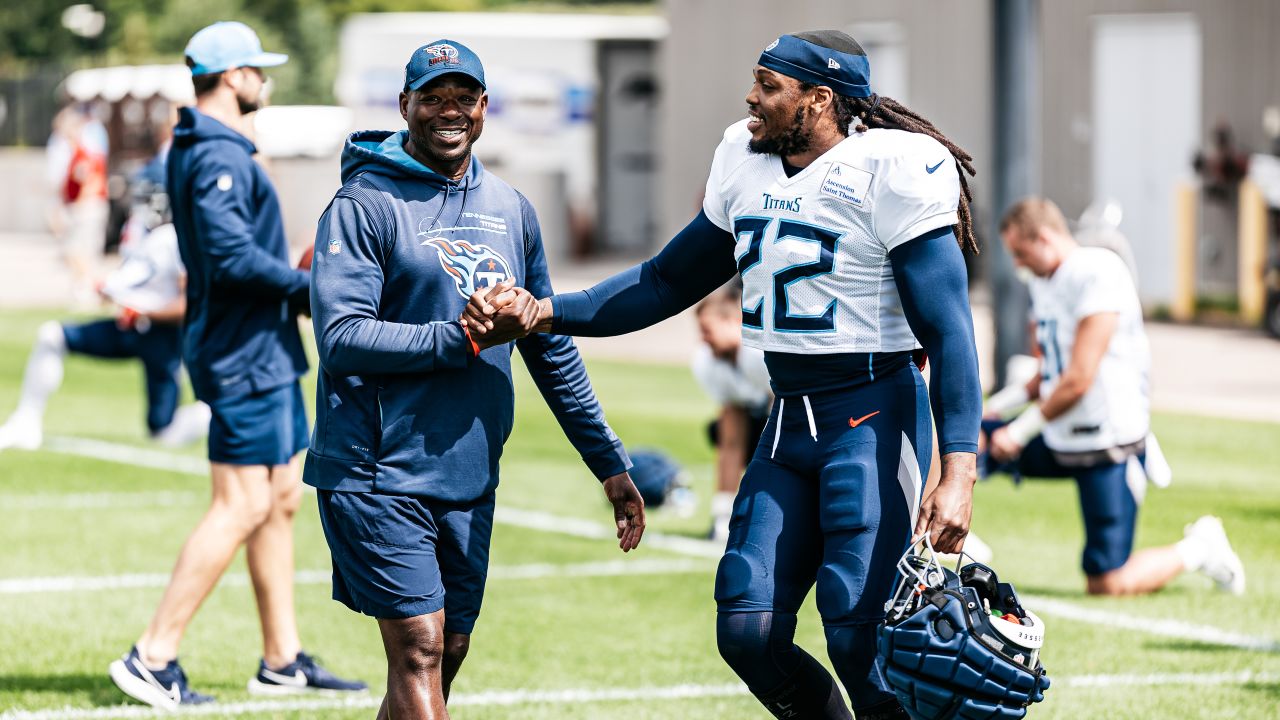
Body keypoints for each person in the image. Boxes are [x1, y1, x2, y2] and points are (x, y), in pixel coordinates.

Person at [468, 29, 982, 720]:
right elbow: (664, 280)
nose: (751, 97)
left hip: (874, 411)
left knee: (859, 634)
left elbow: (949, 330)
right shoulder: (744, 158)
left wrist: (959, 470)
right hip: (789, 416)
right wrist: (543, 313)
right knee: (748, 627)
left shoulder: (892, 168)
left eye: (770, 86)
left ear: (820, 100)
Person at [306, 39, 645, 720]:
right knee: (420, 649)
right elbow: (341, 339)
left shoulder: (512, 209)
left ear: (485, 107)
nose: (449, 110)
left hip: (467, 473)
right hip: (376, 471)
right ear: (405, 105)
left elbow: (548, 343)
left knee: (447, 650)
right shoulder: (363, 202)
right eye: (432, 96)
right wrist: (457, 337)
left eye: (463, 96)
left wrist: (609, 465)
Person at [107, 21, 366, 709]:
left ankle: (281, 660)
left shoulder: (220, 144)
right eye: (258, 70)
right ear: (232, 77)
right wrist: (310, 288)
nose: (266, 80)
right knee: (243, 502)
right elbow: (230, 260)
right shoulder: (216, 151)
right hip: (240, 349)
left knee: (280, 498)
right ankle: (152, 656)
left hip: (266, 344)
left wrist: (293, 290)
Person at [986, 197, 1245, 597]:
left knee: (1106, 581)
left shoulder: (1098, 271)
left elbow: (1077, 380)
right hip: (1060, 433)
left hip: (1107, 444)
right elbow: (1046, 377)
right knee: (966, 444)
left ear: (1043, 237)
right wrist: (994, 409)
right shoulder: (1044, 281)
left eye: (1021, 252)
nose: (1019, 264)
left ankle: (1199, 548)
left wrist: (1018, 433)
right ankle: (950, 553)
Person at [0, 152, 209, 452]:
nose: (140, 200)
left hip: (161, 338)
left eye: (147, 192)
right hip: (128, 327)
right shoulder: (137, 230)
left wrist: (146, 310)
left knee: (163, 432)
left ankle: (217, 414)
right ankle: (26, 422)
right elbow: (132, 279)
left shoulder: (180, 239)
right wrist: (107, 287)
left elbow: (189, 303)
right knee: (51, 336)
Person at [691, 283, 772, 542]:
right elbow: (731, 439)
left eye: (707, 330)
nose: (703, 339)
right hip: (761, 420)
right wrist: (722, 513)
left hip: (801, 420)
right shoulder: (708, 363)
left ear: (733, 321)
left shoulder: (759, 355)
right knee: (719, 430)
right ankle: (730, 516)